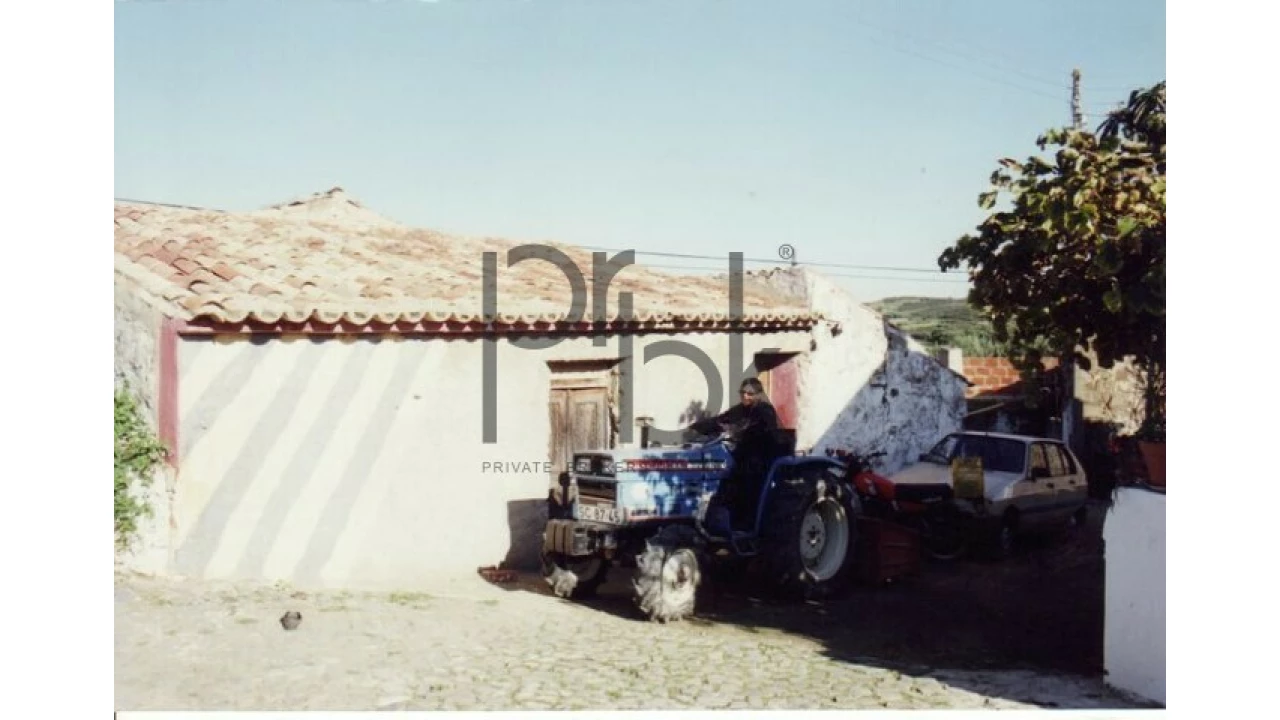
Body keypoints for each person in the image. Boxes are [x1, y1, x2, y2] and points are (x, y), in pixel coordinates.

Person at [686, 378, 781, 532]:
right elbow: (721, 420)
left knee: (742, 476)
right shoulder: (740, 410)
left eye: (750, 393)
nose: (745, 396)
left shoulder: (765, 411)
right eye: (743, 393)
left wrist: (736, 430)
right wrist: (698, 427)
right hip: (741, 452)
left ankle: (742, 523)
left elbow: (755, 429)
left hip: (761, 455)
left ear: (758, 394)